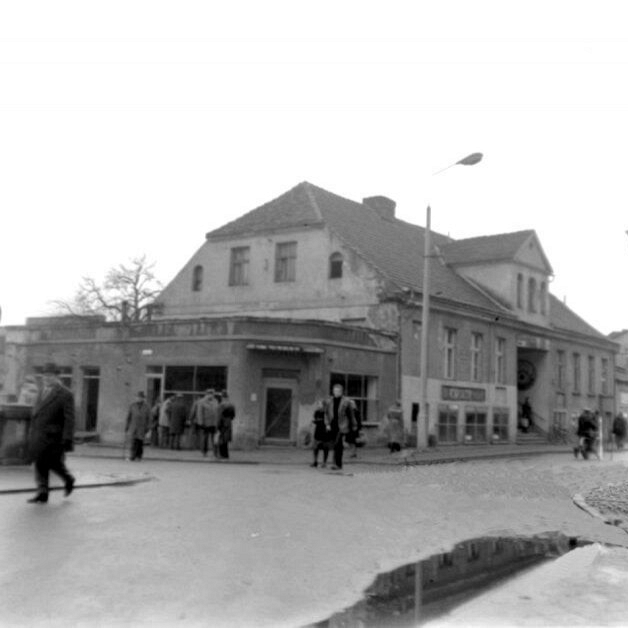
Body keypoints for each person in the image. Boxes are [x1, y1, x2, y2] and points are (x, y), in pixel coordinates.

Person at [27, 362, 75, 504]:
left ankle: (68, 479)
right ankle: (42, 492)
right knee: (39, 462)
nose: (46, 378)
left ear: (57, 376)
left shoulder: (65, 393)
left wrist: (67, 438)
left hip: (54, 437)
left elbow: (69, 418)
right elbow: (37, 412)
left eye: (50, 376)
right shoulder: (41, 391)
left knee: (54, 463)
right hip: (38, 434)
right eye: (44, 376)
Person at [323, 383, 356, 471]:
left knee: (338, 444)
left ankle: (337, 464)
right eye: (335, 391)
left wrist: (354, 425)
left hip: (342, 425)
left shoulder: (346, 401)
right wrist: (327, 424)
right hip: (333, 424)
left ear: (341, 392)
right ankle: (337, 463)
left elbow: (351, 414)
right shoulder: (329, 401)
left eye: (338, 391)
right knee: (335, 444)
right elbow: (326, 414)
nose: (336, 393)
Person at [192, 389, 220, 457]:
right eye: (210, 394)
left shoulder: (215, 401)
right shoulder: (201, 402)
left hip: (214, 423)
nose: (212, 395)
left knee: (215, 438)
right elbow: (199, 413)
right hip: (205, 423)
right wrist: (201, 423)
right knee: (205, 438)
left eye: (213, 394)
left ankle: (215, 452)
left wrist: (218, 422)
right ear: (207, 394)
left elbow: (217, 411)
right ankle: (204, 452)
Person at [125, 391, 151, 461]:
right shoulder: (132, 406)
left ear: (143, 398)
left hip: (142, 427)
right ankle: (132, 456)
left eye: (140, 397)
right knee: (133, 442)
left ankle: (139, 456)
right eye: (137, 397)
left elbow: (149, 418)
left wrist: (148, 428)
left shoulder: (146, 407)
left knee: (140, 443)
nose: (138, 399)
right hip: (133, 427)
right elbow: (129, 417)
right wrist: (127, 426)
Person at [310, 401, 330, 468]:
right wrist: (318, 421)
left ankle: (324, 462)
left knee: (325, 447)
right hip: (318, 430)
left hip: (325, 431)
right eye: (318, 404)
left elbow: (328, 421)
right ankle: (315, 461)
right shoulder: (317, 412)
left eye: (320, 404)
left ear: (324, 405)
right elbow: (315, 419)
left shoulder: (327, 412)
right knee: (316, 447)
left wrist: (319, 421)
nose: (318, 405)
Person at [216, 391, 235, 459]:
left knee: (221, 440)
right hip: (229, 423)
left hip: (222, 424)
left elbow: (219, 416)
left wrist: (217, 426)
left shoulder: (221, 405)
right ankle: (226, 455)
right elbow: (233, 416)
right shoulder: (231, 405)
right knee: (226, 440)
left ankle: (222, 455)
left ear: (222, 397)